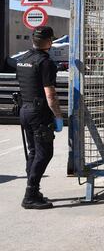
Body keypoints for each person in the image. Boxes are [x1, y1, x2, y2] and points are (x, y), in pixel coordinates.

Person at [15, 26, 63, 209]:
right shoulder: (45, 63)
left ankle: (33, 191)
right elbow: (50, 93)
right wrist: (58, 116)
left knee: (34, 152)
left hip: (25, 110)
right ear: (50, 41)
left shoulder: (22, 60)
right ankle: (30, 195)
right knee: (44, 153)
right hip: (39, 113)